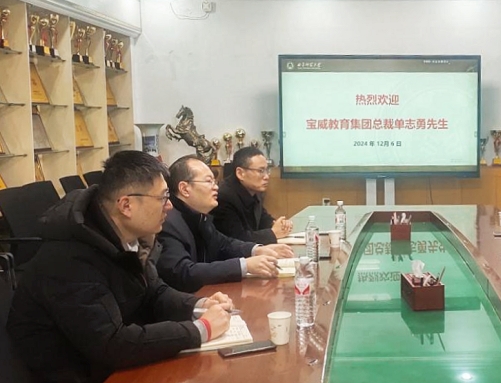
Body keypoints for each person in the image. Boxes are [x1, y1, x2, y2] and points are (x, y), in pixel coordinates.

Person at [6, 151, 234, 383]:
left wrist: (198, 305)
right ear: (126, 205)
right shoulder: (69, 258)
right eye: (163, 198)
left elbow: (154, 292)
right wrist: (201, 329)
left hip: (108, 366)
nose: (169, 207)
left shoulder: (128, 236)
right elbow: (112, 344)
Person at [155, 155, 294, 293]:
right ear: (184, 189)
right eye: (209, 181)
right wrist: (244, 265)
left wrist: (256, 250)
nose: (216, 187)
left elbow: (223, 244)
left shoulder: (198, 215)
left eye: (215, 182)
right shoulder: (168, 222)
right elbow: (183, 272)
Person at [212, 146, 293, 245]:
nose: (267, 176)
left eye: (267, 170)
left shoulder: (253, 191)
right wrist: (273, 233)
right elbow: (237, 239)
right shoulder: (223, 197)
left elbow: (263, 220)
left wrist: (279, 224)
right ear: (240, 173)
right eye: (260, 171)